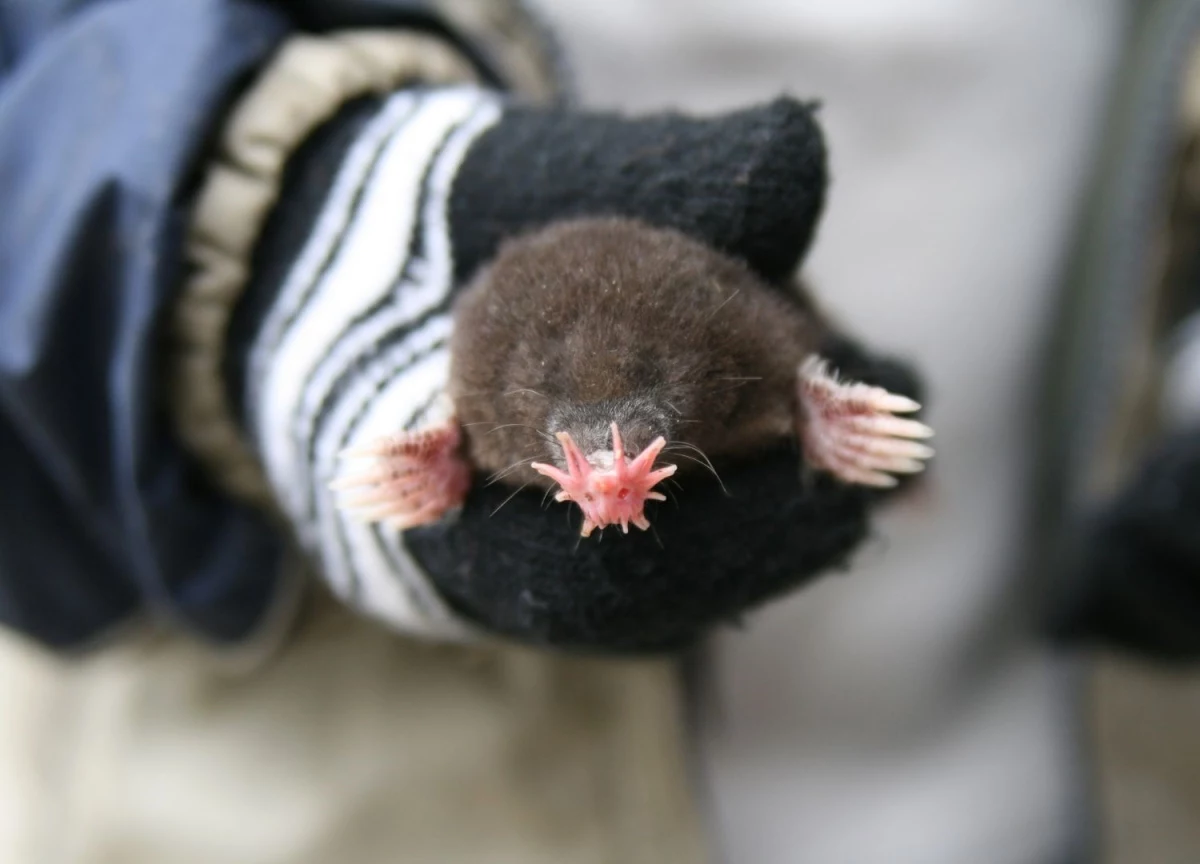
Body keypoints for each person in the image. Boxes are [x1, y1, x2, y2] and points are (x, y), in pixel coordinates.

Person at [0, 2, 1196, 863]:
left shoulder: (713, 354)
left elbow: (769, 341)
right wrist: (253, 236)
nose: (612, 490)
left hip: (1058, 798)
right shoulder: (492, 386)